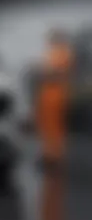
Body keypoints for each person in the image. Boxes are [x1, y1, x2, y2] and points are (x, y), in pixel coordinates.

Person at [36, 28, 73, 170]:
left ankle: (55, 157)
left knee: (55, 126)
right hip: (46, 93)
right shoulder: (52, 52)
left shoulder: (63, 52)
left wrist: (45, 73)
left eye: (52, 37)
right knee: (45, 125)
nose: (50, 40)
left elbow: (58, 72)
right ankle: (47, 155)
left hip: (56, 93)